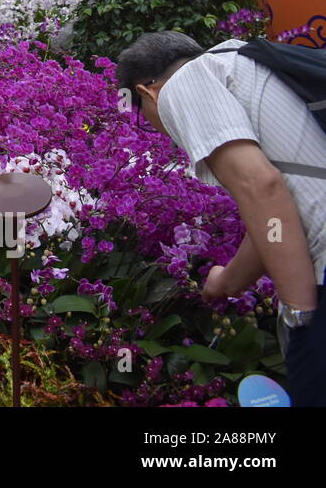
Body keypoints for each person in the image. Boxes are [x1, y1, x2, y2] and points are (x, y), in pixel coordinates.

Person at [117, 31, 326, 406]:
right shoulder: (238, 61)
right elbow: (275, 216)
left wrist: (300, 318)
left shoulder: (184, 85)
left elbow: (262, 188)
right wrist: (229, 280)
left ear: (146, 92)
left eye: (144, 117)